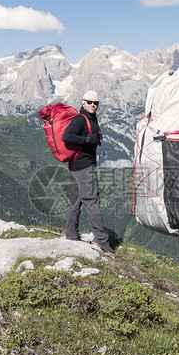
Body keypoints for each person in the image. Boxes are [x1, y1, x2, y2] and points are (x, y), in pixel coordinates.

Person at [62, 90, 113, 252]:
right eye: (90, 102)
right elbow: (66, 136)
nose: (93, 105)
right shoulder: (80, 119)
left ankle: (71, 233)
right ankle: (101, 240)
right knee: (92, 201)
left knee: (76, 199)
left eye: (96, 103)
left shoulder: (91, 118)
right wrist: (86, 140)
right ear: (83, 102)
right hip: (84, 167)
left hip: (77, 166)